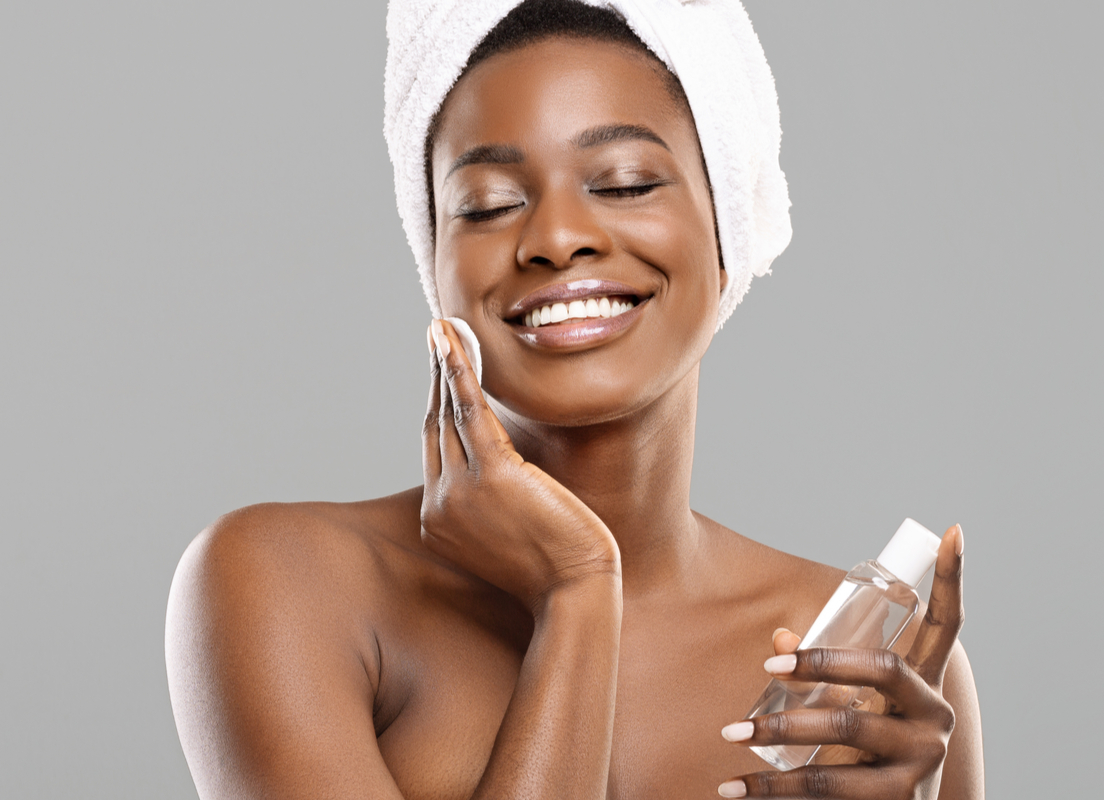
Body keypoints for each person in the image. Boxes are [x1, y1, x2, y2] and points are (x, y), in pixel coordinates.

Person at [165, 1, 985, 797]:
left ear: (728, 229)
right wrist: (578, 594)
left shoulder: (854, 660)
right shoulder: (289, 583)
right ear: (437, 263)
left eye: (625, 184)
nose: (557, 237)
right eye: (488, 204)